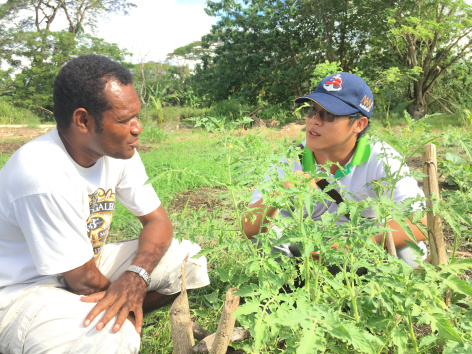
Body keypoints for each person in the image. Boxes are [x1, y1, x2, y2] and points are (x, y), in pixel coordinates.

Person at [0, 55, 210, 353]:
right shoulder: (41, 173)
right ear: (83, 120)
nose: (137, 128)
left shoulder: (117, 152)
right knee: (113, 336)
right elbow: (83, 281)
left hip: (84, 267)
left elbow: (158, 222)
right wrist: (129, 288)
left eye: (136, 116)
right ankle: (103, 327)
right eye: (125, 120)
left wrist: (136, 276)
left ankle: (107, 318)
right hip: (22, 292)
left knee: (188, 260)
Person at [242, 72, 427, 267]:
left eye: (329, 114)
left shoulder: (381, 158)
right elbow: (247, 227)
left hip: (364, 248)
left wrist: (356, 243)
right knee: (262, 240)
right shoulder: (290, 159)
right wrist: (279, 191)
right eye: (312, 111)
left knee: (408, 254)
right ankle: (289, 291)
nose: (314, 121)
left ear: (359, 124)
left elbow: (421, 220)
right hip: (308, 248)